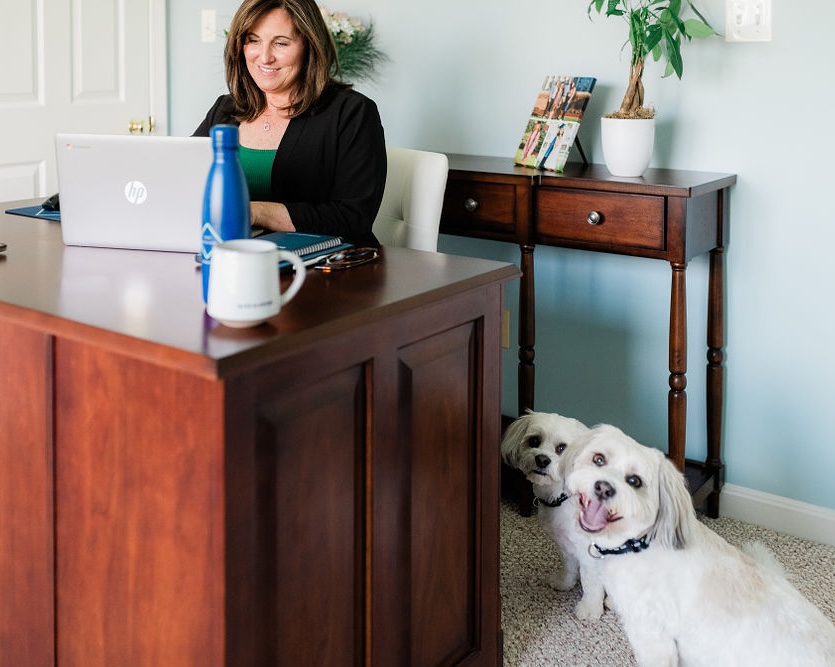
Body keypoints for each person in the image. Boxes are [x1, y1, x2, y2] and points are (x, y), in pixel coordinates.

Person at [193, 0, 386, 245]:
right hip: (231, 257)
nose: (264, 57)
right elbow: (186, 180)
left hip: (325, 270)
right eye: (253, 40)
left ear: (309, 45)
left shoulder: (352, 112)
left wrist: (254, 212)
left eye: (281, 43)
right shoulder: (225, 110)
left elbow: (353, 218)